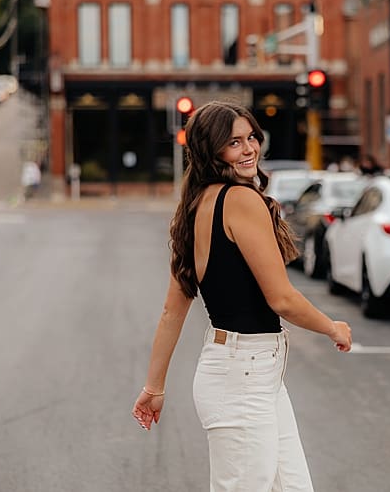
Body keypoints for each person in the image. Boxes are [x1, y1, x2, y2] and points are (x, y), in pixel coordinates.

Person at [132, 101, 353, 490]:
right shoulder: (239, 200)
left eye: (251, 137)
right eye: (234, 142)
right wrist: (331, 326)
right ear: (211, 150)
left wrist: (154, 388)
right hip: (242, 376)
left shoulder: (195, 207)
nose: (249, 148)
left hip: (251, 374)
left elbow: (172, 312)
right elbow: (281, 299)